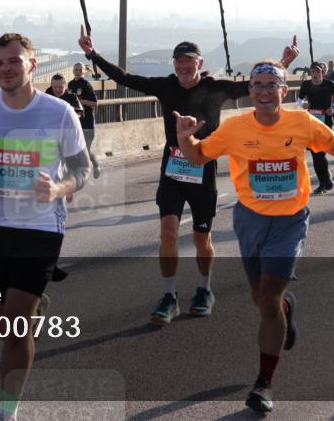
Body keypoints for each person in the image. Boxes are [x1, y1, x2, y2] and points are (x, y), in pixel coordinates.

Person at [173, 60, 334, 414]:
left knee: (267, 298)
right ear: (250, 91)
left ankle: (264, 382)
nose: (264, 91)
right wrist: (184, 138)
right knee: (261, 298)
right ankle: (286, 309)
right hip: (249, 220)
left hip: (290, 221)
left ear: (284, 90)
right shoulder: (235, 128)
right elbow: (198, 155)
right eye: (258, 85)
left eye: (271, 84)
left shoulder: (302, 122)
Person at [78, 26, 299, 324]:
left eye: (189, 60)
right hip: (172, 168)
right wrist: (93, 54)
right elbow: (124, 78)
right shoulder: (165, 86)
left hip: (204, 167)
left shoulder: (217, 88)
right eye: (178, 60)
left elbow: (258, 85)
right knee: (167, 233)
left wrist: (284, 63)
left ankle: (204, 290)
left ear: (200, 63)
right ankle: (169, 296)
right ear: (174, 64)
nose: (183, 65)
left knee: (200, 238)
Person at [0, 33, 90, 421]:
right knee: (2, 320)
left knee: (14, 329)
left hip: (41, 227)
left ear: (32, 65)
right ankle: (35, 308)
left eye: (14, 61)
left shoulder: (59, 112)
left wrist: (59, 187)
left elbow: (82, 170)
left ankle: (7, 410)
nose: (6, 69)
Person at [297, 62, 334, 194]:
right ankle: (324, 181)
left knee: (320, 152)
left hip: (325, 120)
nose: (315, 75)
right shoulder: (306, 85)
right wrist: (303, 104)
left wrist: (332, 108)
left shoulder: (329, 84)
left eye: (317, 72)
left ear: (322, 73)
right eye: (313, 72)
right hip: (311, 121)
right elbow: (299, 100)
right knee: (315, 154)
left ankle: (325, 180)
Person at [67, 62, 102, 179]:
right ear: (72, 71)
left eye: (79, 69)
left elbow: (95, 103)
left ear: (84, 71)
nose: (77, 71)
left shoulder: (86, 85)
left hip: (87, 122)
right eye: (75, 69)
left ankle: (95, 165)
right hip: (75, 123)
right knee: (75, 148)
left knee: (85, 148)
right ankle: (76, 173)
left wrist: (81, 102)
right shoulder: (70, 84)